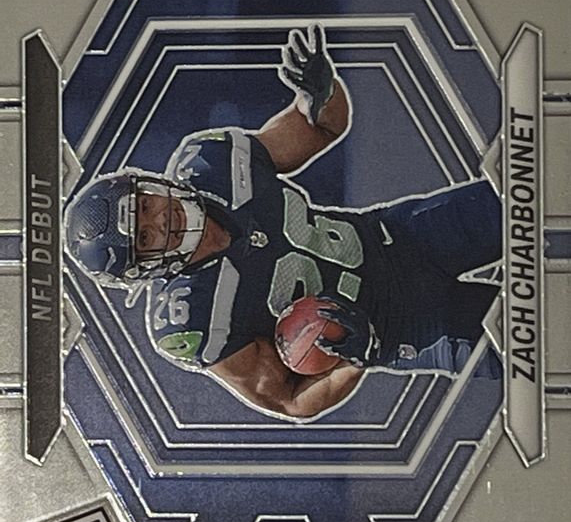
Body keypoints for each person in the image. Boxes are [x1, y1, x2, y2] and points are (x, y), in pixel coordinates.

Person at [66, 25, 501, 419]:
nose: (161, 218)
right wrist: (357, 357)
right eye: (145, 236)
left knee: (524, 204)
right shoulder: (189, 319)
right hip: (402, 326)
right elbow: (291, 399)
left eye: (144, 205)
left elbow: (323, 127)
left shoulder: (209, 162)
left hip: (401, 236)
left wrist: (319, 92)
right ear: (145, 269)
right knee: (528, 339)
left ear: (147, 184)